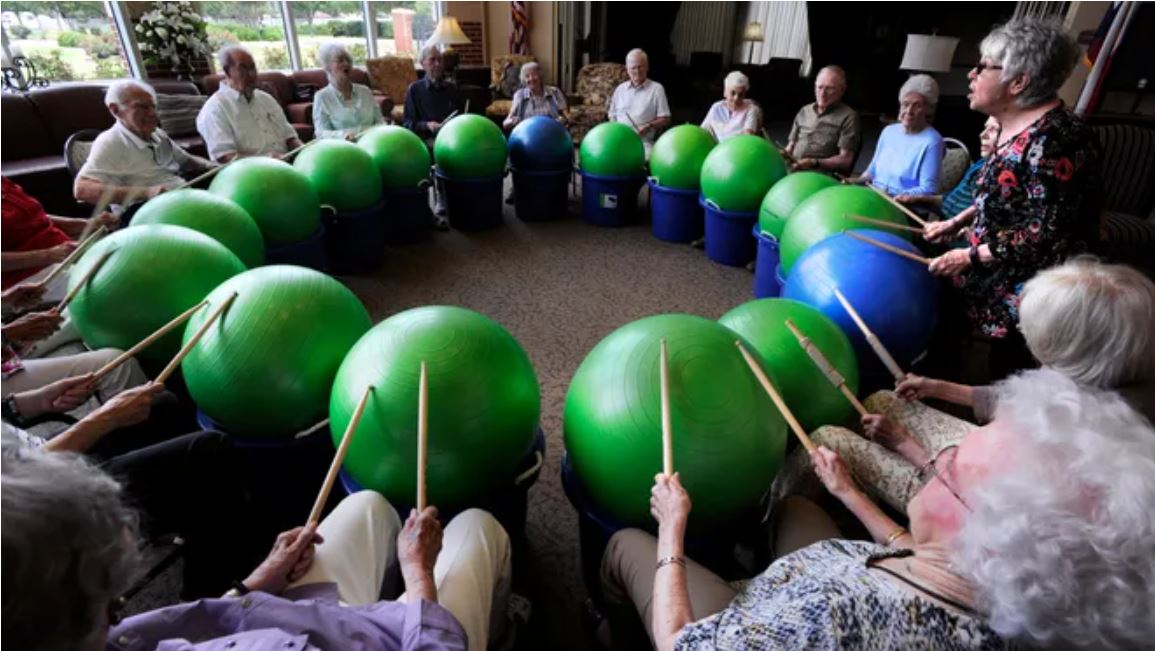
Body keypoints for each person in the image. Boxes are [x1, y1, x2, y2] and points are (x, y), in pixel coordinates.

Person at [602, 368, 1155, 649]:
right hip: (849, 572)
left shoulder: (830, 616)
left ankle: (612, 627)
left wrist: (673, 528)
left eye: (951, 460)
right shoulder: (1015, 598)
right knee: (798, 506)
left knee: (627, 544)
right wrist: (850, 495)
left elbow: (683, 646)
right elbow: (920, 558)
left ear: (977, 527)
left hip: (767, 611)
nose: (936, 454)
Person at [2, 439, 513, 650]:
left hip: (274, 617)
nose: (123, 610)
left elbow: (186, 624)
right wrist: (418, 574)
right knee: (476, 527)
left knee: (370, 505)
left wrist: (252, 583)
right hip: (406, 640)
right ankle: (501, 624)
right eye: (115, 605)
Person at [772, 256, 1155, 512]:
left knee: (825, 441)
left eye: (1032, 332)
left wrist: (904, 445)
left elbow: (992, 509)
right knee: (884, 400)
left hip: (970, 503)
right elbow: (1015, 398)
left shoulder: (1084, 443)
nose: (1021, 332)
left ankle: (776, 517)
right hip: (982, 460)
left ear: (1074, 346)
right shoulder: (1107, 369)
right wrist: (937, 387)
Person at [926, 19, 1102, 379]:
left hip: (1033, 293)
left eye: (983, 66)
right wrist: (959, 222)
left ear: (1019, 82)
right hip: (994, 269)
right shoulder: (1015, 125)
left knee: (1011, 376)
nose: (971, 75)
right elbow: (1007, 192)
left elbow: (1045, 233)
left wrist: (969, 255)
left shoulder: (1054, 141)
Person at [74, 80, 215, 216]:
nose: (152, 113)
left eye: (153, 106)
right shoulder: (111, 142)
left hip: (179, 201)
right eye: (142, 107)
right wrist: (145, 192)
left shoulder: (156, 133)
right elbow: (82, 190)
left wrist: (217, 166)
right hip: (144, 213)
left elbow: (188, 162)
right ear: (116, 110)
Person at [2, 177, 118, 301]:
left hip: (64, 256)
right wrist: (51, 254)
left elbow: (35, 218)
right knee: (113, 285)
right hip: (28, 280)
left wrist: (89, 224)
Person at [197, 46, 304, 162]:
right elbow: (225, 158)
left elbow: (290, 138)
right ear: (227, 71)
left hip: (287, 166)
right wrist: (267, 160)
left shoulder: (266, 98)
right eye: (243, 69)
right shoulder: (215, 109)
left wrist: (305, 151)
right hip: (251, 175)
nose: (252, 74)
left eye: (253, 67)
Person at [845, 74, 944, 197]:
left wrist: (897, 196)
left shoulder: (932, 141)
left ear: (928, 109)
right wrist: (854, 181)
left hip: (901, 206)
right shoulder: (888, 132)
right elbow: (872, 171)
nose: (909, 111)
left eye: (917, 106)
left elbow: (928, 189)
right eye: (905, 104)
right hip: (874, 196)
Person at [403, 45, 462, 224]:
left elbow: (460, 116)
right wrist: (427, 125)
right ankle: (441, 194)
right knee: (438, 150)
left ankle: (461, 194)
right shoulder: (415, 90)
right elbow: (408, 123)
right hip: (428, 138)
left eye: (440, 60)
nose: (437, 64)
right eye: (432, 60)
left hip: (452, 136)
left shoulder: (452, 88)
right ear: (423, 64)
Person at [899, 116, 999, 222]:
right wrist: (918, 199)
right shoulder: (982, 163)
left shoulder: (1000, 174)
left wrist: (956, 228)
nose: (982, 135)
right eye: (985, 128)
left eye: (993, 130)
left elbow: (982, 221)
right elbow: (951, 203)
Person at [784, 65, 859, 174]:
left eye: (829, 88)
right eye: (819, 87)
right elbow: (790, 147)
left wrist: (814, 162)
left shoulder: (849, 117)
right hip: (794, 169)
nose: (822, 94)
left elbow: (846, 160)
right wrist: (781, 153)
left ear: (842, 90)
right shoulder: (805, 111)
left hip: (821, 175)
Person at [313, 42, 385, 140]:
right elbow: (321, 132)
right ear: (327, 67)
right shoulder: (322, 97)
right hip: (344, 149)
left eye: (348, 60)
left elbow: (380, 121)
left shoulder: (365, 91)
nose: (346, 64)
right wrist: (342, 135)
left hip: (373, 142)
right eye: (340, 60)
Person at [607, 48, 671, 156]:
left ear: (647, 67)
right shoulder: (620, 89)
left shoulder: (657, 89)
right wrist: (616, 132)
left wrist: (648, 126)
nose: (637, 71)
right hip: (618, 139)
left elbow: (666, 118)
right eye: (633, 68)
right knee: (604, 158)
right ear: (627, 69)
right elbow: (612, 115)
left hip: (642, 141)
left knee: (644, 161)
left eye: (640, 66)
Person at [502, 61, 568, 131]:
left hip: (551, 133)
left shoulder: (554, 92)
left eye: (534, 75)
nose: (531, 78)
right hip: (527, 136)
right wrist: (510, 122)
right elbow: (506, 123)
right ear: (524, 79)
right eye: (527, 76)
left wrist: (562, 120)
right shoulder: (519, 95)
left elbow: (567, 117)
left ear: (540, 76)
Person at [700, 71, 762, 141]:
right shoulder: (717, 107)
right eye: (733, 93)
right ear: (725, 92)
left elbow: (748, 136)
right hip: (718, 149)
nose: (736, 98)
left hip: (739, 148)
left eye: (741, 95)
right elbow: (702, 131)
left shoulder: (751, 108)